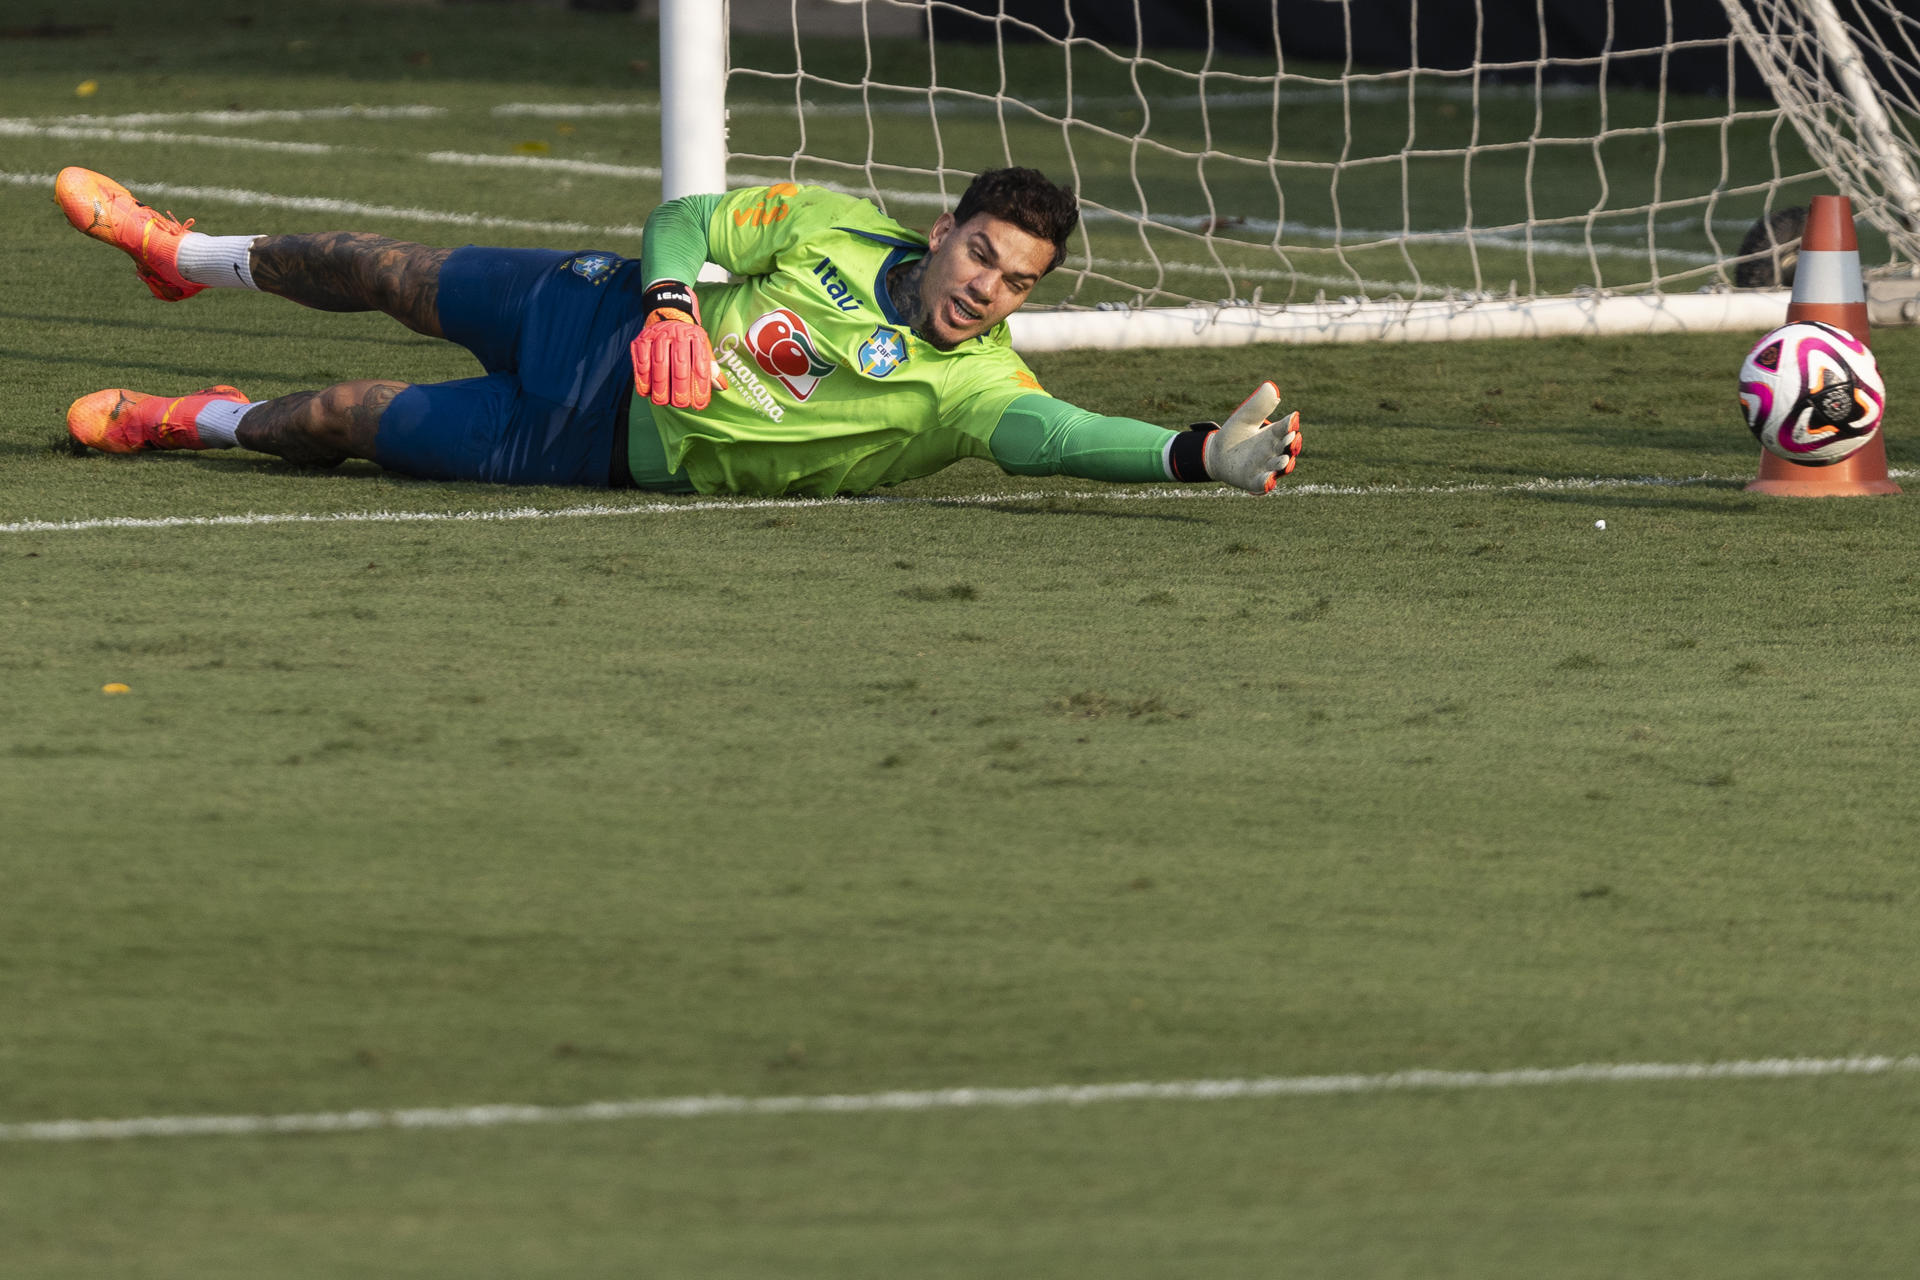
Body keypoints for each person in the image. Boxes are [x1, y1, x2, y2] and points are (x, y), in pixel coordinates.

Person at [55, 165, 1302, 497]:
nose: (987, 289)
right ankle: (182, 257)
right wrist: (665, 301)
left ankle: (192, 420)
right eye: (983, 253)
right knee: (379, 266)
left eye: (1017, 282)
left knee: (341, 417)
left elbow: (1056, 436)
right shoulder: (831, 227)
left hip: (584, 443)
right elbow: (688, 218)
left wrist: (1193, 455)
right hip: (593, 310)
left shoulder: (968, 390)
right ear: (945, 229)